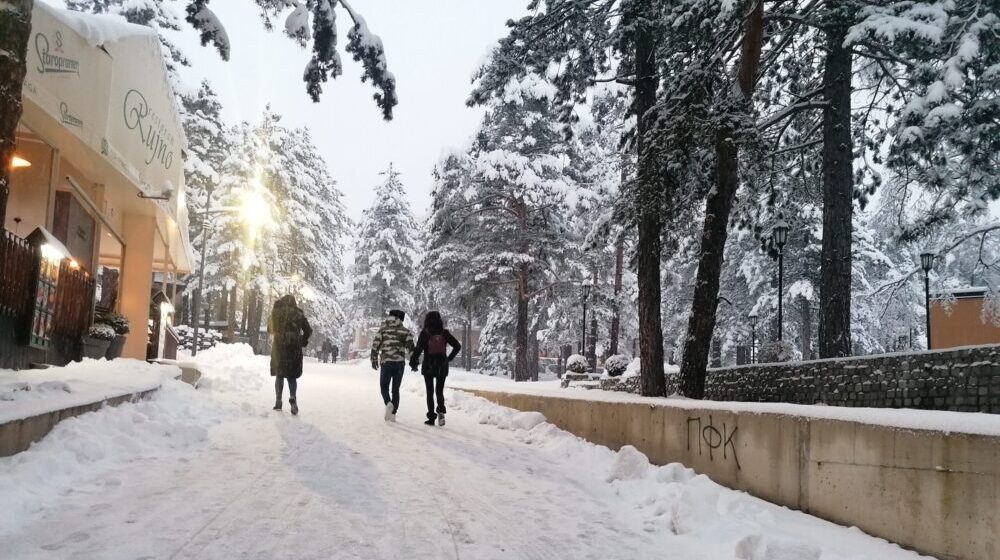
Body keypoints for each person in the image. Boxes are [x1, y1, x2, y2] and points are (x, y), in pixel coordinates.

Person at [410, 311, 461, 426]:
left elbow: (418, 350)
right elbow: (457, 346)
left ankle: (431, 418)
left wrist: (413, 362)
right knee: (439, 391)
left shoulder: (425, 333)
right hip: (442, 366)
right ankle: (441, 412)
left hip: (429, 365)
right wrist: (449, 358)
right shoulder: (444, 333)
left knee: (430, 392)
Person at [268, 295, 312, 415]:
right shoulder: (299, 314)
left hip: (279, 348)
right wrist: (302, 340)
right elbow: (308, 330)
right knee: (291, 376)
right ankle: (293, 397)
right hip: (294, 348)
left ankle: (278, 401)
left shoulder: (277, 312)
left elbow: (269, 329)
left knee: (279, 375)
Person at [371, 309, 414, 422]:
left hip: (386, 362)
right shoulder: (405, 331)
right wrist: (414, 362)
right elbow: (411, 348)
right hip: (399, 364)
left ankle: (388, 403)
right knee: (395, 389)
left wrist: (374, 359)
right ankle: (393, 413)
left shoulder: (383, 330)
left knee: (384, 386)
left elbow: (375, 345)